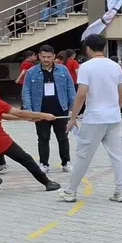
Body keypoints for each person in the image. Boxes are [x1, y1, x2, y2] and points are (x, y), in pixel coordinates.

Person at [60, 34, 122, 203]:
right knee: (117, 155)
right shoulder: (116, 66)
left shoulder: (86, 67)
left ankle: (71, 191)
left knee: (83, 156)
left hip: (94, 119)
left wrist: (73, 118)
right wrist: (115, 110)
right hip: (113, 118)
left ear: (88, 48)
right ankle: (120, 191)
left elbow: (81, 94)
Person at [0, 83, 62, 194]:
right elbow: (20, 112)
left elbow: (3, 116)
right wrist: (44, 115)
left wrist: (28, 119)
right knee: (25, 159)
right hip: (0, 141)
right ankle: (47, 182)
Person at [21, 44, 75, 172]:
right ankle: (44, 163)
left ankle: (66, 162)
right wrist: (29, 111)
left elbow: (70, 88)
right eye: (43, 57)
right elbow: (26, 91)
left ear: (54, 56)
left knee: (63, 137)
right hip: (40, 110)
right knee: (43, 138)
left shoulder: (63, 70)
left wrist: (73, 108)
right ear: (39, 56)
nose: (46, 59)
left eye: (49, 57)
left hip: (61, 109)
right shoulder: (31, 72)